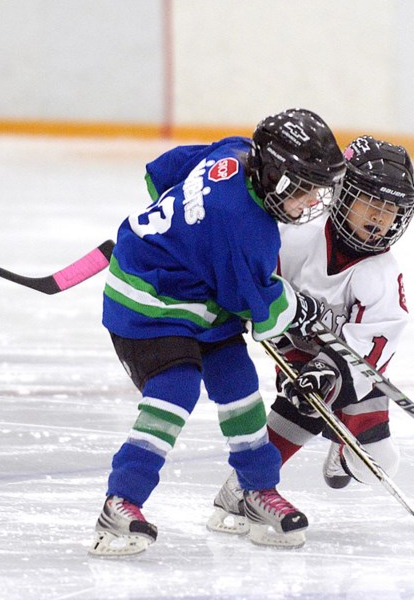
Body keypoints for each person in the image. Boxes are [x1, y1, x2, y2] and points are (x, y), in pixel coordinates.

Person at [88, 109, 347, 556]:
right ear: (273, 174)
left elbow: (162, 172)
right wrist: (301, 310)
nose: (310, 202)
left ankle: (256, 492)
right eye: (303, 189)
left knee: (239, 384)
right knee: (175, 391)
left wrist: (185, 233)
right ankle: (120, 501)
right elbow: (259, 309)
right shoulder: (247, 228)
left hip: (201, 291)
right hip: (150, 301)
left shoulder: (236, 150)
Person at [207, 135, 414, 531]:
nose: (380, 217)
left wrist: (332, 371)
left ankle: (342, 452)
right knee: (302, 402)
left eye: (391, 209)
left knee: (380, 465)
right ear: (342, 193)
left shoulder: (382, 276)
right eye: (371, 202)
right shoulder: (297, 235)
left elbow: (372, 347)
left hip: (350, 367)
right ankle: (241, 487)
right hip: (294, 340)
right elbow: (253, 274)